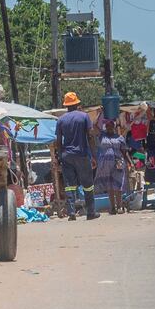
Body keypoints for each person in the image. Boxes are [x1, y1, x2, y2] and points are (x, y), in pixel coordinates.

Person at [55, 91, 96, 221]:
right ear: (77, 103)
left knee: (69, 185)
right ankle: (91, 212)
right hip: (82, 154)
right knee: (88, 185)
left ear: (66, 105)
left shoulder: (61, 120)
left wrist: (60, 156)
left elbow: (58, 140)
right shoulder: (84, 117)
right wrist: (94, 155)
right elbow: (90, 136)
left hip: (67, 155)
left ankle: (71, 212)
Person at [94, 119, 129, 215]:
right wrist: (99, 114)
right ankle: (113, 207)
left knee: (118, 185)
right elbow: (94, 125)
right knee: (109, 187)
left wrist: (130, 163)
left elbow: (124, 151)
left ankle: (120, 206)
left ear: (113, 127)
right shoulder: (102, 136)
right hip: (105, 165)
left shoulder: (119, 137)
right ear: (106, 127)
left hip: (118, 163)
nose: (109, 128)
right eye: (108, 127)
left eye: (111, 127)